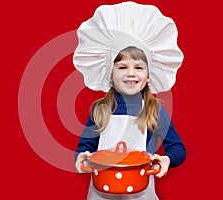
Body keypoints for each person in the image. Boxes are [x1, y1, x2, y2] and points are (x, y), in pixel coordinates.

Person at [73, 2, 186, 199]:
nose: (131, 74)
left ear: (149, 75)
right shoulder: (99, 109)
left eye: (139, 68)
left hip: (142, 192)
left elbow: (178, 148)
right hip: (101, 192)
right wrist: (82, 157)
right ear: (110, 74)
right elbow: (85, 147)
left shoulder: (155, 110)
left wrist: (167, 159)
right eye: (122, 67)